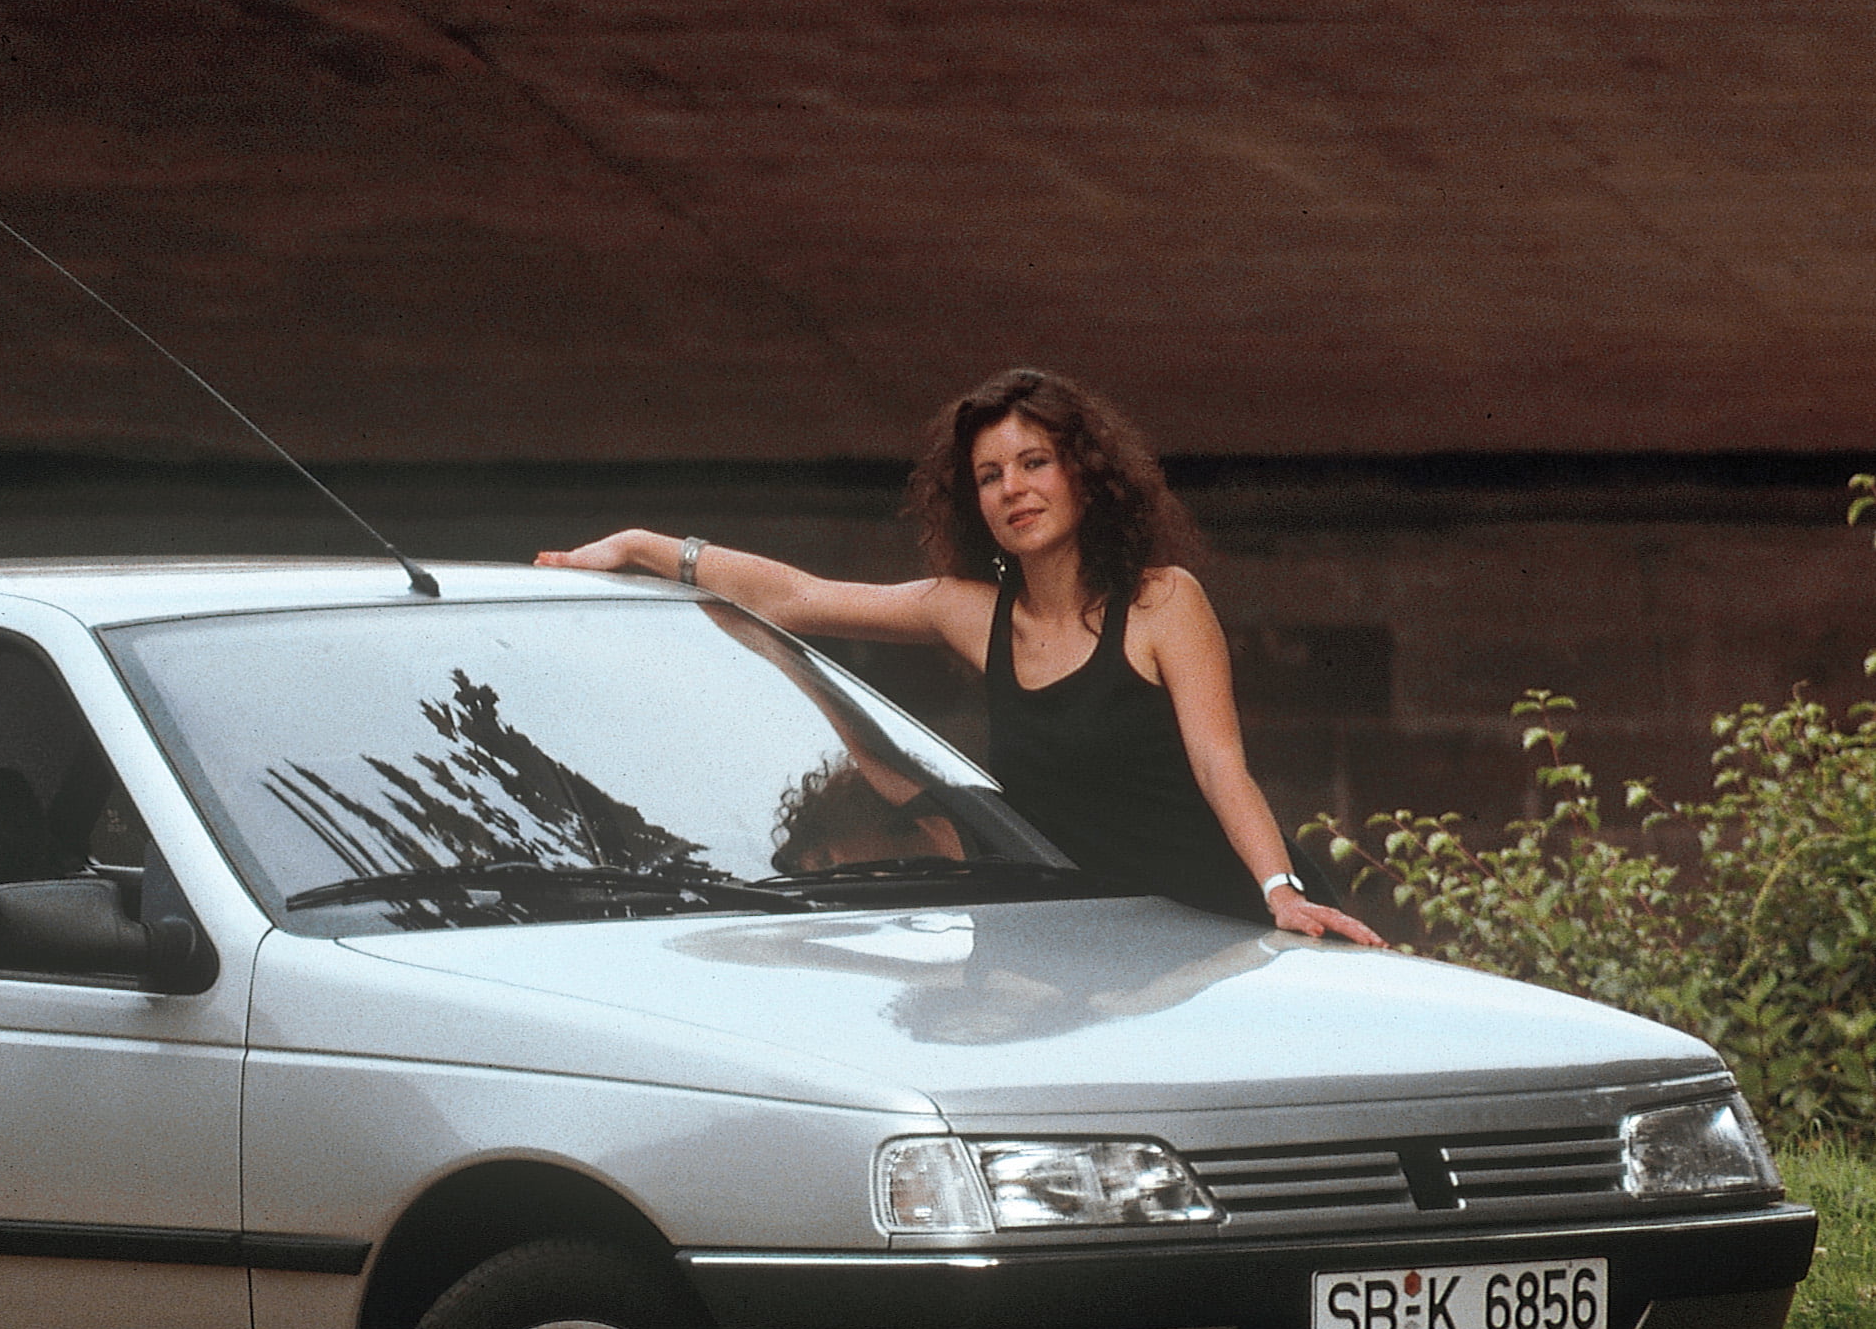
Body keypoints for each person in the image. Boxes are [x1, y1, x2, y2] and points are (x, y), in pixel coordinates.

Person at [541, 364, 1383, 943]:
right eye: (988, 475)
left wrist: (1279, 891)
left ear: (1083, 473)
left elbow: (1220, 765)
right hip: (1110, 945)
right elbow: (793, 595)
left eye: (1033, 462)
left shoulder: (1162, 601)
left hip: (1238, 917)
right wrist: (644, 545)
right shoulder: (967, 614)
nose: (1012, 488)